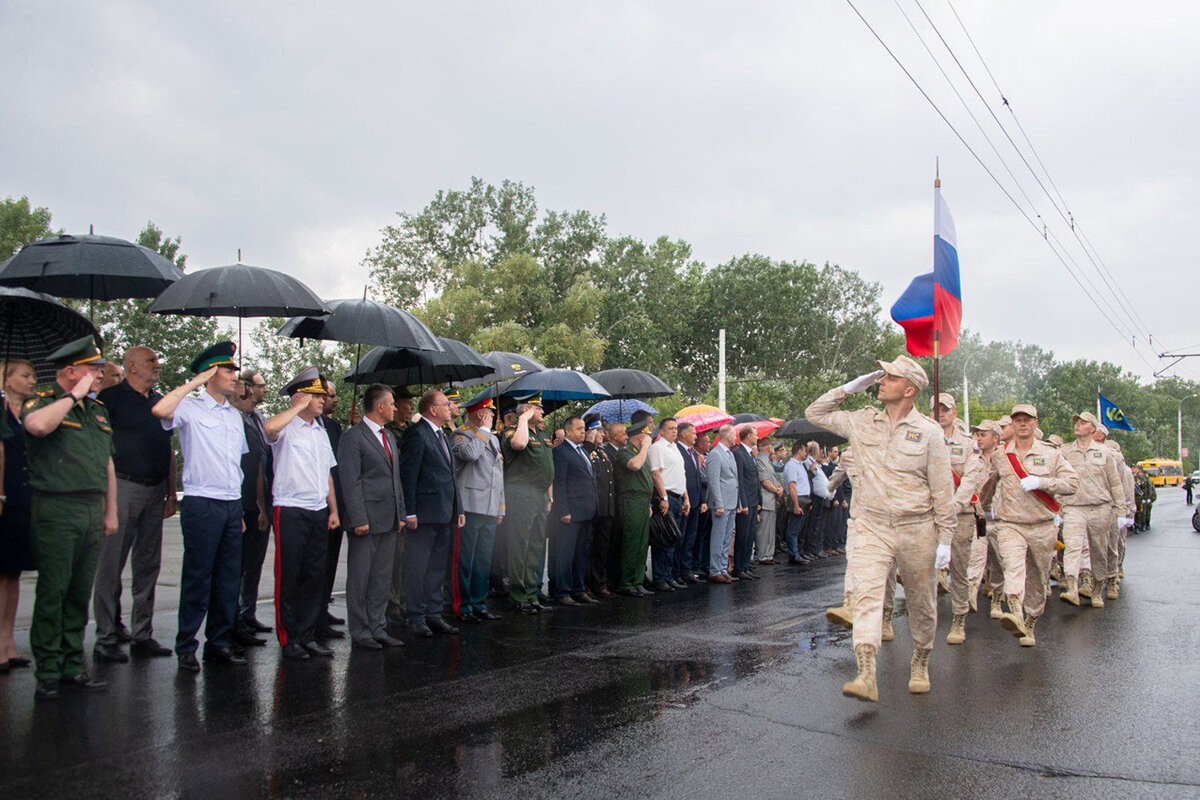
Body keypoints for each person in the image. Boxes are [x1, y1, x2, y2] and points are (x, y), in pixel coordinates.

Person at [806, 355, 956, 702]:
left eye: (889, 376)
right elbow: (816, 413)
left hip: (917, 527)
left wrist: (945, 538)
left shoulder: (929, 433)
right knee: (867, 594)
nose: (880, 381)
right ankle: (866, 672)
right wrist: (847, 388)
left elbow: (942, 490)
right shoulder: (862, 421)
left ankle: (920, 659)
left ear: (909, 389)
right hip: (872, 524)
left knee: (921, 602)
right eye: (880, 376)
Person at [22, 337, 119, 701]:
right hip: (56, 509)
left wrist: (110, 510)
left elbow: (107, 462)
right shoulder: (47, 402)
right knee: (54, 591)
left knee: (79, 592)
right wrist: (72, 396)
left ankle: (71, 665)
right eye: (93, 369)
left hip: (91, 509)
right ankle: (48, 670)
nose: (100, 375)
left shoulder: (98, 412)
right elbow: (37, 427)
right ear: (71, 371)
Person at [152, 341, 249, 673]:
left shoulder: (235, 417)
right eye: (227, 370)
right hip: (202, 502)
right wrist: (194, 383)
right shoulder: (190, 407)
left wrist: (238, 510)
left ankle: (218, 643)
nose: (234, 376)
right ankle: (185, 645)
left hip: (229, 504)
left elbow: (237, 465)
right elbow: (160, 411)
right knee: (198, 577)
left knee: (227, 579)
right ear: (210, 374)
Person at [92, 347, 176, 663]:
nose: (157, 364)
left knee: (148, 566)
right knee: (110, 567)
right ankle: (106, 637)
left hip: (155, 491)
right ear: (131, 366)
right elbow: (98, 448)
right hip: (122, 488)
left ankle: (142, 634)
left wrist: (170, 494)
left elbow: (168, 450)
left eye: (157, 359)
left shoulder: (159, 402)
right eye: (151, 360)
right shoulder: (110, 399)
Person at [262, 368, 341, 660]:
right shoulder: (286, 426)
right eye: (317, 395)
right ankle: (289, 637)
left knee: (313, 576)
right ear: (301, 396)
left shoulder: (320, 431)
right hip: (290, 508)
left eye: (322, 396)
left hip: (317, 509)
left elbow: (328, 474)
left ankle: (307, 635)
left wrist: (333, 509)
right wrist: (296, 406)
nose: (322, 400)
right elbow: (269, 429)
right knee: (289, 575)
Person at [988, 404, 1078, 648]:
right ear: (1013, 424)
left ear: (1036, 423)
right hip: (1011, 524)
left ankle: (1030, 621)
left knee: (1038, 577)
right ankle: (1014, 609)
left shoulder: (1051, 454)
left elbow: (1072, 483)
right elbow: (988, 484)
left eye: (1027, 419)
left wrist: (1042, 482)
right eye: (1017, 420)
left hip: (1041, 526)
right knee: (1013, 567)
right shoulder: (1001, 455)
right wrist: (984, 510)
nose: (1022, 423)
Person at [337, 383, 406, 649]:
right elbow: (350, 480)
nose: (395, 408)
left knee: (381, 577)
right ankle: (360, 630)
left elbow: (394, 478)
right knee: (360, 577)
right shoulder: (353, 437)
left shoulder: (388, 436)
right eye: (391, 403)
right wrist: (358, 519)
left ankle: (378, 626)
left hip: (389, 518)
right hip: (366, 519)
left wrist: (400, 512)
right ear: (379, 406)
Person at [399, 390, 464, 638]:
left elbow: (450, 476)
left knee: (437, 567)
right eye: (446, 404)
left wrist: (458, 509)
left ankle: (434, 614)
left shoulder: (442, 435)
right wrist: (410, 512)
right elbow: (409, 475)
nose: (450, 407)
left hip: (445, 512)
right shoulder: (417, 434)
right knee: (418, 566)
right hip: (424, 514)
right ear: (432, 409)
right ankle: (416, 616)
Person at [928, 393, 986, 646]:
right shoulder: (921, 439)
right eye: (935, 409)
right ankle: (925, 620)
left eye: (945, 409)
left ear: (954, 412)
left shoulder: (968, 444)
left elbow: (970, 479)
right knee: (923, 569)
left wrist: (952, 507)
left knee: (960, 570)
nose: (940, 413)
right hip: (927, 515)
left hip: (958, 516)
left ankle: (959, 619)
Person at [1057, 411, 1126, 609]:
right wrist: (1057, 508)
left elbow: (1115, 483)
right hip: (1073, 507)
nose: (1077, 424)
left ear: (1093, 429)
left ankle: (1096, 590)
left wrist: (1120, 511)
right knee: (1072, 546)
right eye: (1076, 422)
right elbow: (1058, 479)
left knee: (1098, 551)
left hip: (1100, 508)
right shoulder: (1065, 452)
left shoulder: (1105, 453)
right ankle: (1071, 587)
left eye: (1083, 422)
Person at [449, 395, 505, 622]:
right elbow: (470, 454)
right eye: (489, 413)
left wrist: (501, 506)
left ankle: (479, 603)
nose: (493, 416)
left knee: (483, 559)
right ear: (479, 414)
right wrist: (482, 430)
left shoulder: (492, 438)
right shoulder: (460, 434)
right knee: (465, 559)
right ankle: (463, 606)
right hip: (470, 505)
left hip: (490, 507)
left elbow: (498, 473)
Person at [0, 359, 37, 674]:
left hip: (23, 500)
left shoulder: (27, 415)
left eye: (33, 376)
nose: (31, 381)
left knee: (13, 575)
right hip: (3, 498)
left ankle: (8, 641)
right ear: (6, 379)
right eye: (25, 376)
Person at [503, 395, 555, 613]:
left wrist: (550, 496)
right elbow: (519, 444)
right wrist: (522, 418)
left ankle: (532, 593)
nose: (543, 412)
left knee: (535, 544)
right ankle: (518, 594)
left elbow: (548, 465)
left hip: (540, 495)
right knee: (520, 545)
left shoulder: (542, 433)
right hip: (521, 494)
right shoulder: (513, 431)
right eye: (538, 408)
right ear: (527, 410)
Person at [232, 370, 272, 644]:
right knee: (238, 565)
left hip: (260, 500)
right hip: (243, 501)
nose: (264, 390)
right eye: (259, 386)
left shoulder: (258, 420)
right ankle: (233, 619)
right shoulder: (237, 420)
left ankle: (248, 613)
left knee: (255, 563)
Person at [549, 415, 598, 605]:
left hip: (586, 510)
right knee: (565, 553)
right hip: (570, 512)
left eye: (584, 428)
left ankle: (579, 589)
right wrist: (562, 510)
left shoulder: (582, 451)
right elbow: (559, 482)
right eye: (579, 428)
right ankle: (562, 591)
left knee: (581, 553)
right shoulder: (561, 451)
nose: (583, 431)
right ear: (568, 431)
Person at [318, 377, 347, 638]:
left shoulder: (333, 425)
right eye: (330, 395)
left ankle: (322, 608)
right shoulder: (313, 425)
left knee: (329, 562)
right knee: (315, 563)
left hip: (337, 502)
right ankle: (312, 615)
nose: (334, 400)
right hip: (318, 504)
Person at [385, 386, 415, 625]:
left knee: (409, 556)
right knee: (394, 555)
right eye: (407, 403)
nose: (410, 408)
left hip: (411, 496)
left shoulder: (412, 430)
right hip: (395, 496)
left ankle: (405, 599)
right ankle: (392, 603)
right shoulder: (388, 432)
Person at [614, 417, 655, 596]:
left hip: (643, 501)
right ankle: (626, 582)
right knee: (631, 542)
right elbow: (635, 465)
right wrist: (645, 447)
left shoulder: (641, 452)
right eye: (646, 436)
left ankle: (637, 581)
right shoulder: (625, 452)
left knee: (642, 543)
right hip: (630, 501)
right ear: (640, 437)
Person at [648, 416, 688, 590]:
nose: (674, 431)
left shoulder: (675, 448)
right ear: (662, 430)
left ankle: (669, 575)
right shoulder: (657, 448)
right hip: (666, 497)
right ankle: (660, 578)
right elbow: (656, 474)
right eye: (671, 428)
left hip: (678, 496)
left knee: (673, 539)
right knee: (663, 538)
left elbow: (681, 473)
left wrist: (686, 497)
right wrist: (664, 498)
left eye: (675, 428)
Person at [583, 415, 617, 597]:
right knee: (589, 549)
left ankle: (599, 583)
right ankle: (587, 583)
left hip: (606, 508)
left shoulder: (603, 452)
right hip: (594, 508)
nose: (602, 435)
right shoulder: (586, 450)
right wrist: (588, 443)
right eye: (599, 431)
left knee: (602, 549)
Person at [705, 424, 739, 584]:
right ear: (726, 436)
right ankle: (714, 570)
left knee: (727, 537)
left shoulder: (730, 454)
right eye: (734, 434)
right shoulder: (715, 454)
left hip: (732, 501)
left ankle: (723, 568)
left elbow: (735, 480)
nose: (735, 437)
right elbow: (713, 481)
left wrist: (738, 501)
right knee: (718, 537)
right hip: (722, 503)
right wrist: (718, 504)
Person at [676, 421, 706, 583]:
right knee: (680, 537)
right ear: (683, 434)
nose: (696, 436)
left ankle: (687, 569)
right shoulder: (677, 450)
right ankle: (677, 571)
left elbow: (697, 479)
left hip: (695, 500)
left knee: (691, 538)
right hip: (683, 500)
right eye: (693, 433)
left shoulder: (694, 453)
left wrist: (702, 500)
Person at [731, 425, 760, 580]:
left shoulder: (750, 454)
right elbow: (740, 480)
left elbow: (754, 479)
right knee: (742, 535)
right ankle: (739, 567)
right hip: (746, 501)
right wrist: (743, 502)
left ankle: (745, 564)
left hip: (754, 500)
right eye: (755, 435)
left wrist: (758, 500)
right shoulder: (738, 453)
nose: (757, 438)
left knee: (750, 535)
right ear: (748, 436)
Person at [755, 437, 784, 565]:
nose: (774, 447)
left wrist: (779, 487)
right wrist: (777, 490)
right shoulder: (760, 460)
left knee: (770, 529)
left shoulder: (766, 460)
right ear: (767, 446)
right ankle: (763, 555)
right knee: (764, 529)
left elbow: (773, 479)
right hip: (766, 499)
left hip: (771, 499)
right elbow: (765, 481)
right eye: (772, 445)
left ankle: (768, 554)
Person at [783, 442, 813, 564]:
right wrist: (796, 505)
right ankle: (793, 554)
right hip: (798, 498)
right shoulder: (792, 466)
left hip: (804, 498)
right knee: (793, 529)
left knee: (800, 527)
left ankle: (798, 552)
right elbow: (792, 487)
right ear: (799, 450)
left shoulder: (801, 465)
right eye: (805, 450)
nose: (806, 453)